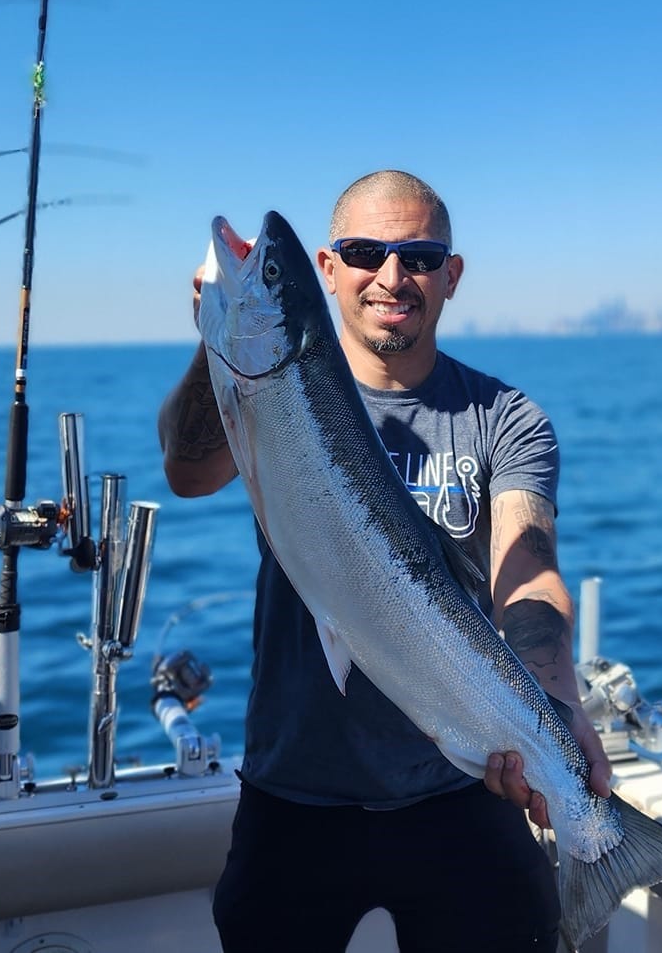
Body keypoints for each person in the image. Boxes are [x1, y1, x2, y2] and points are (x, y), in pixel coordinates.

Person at [157, 170, 612, 952]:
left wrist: (556, 706)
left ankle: (609, 856)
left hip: (461, 782)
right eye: (366, 252)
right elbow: (187, 470)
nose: (392, 276)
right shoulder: (271, 386)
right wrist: (223, 326)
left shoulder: (505, 419)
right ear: (328, 270)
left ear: (451, 275)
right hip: (291, 786)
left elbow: (527, 568)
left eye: (421, 256)